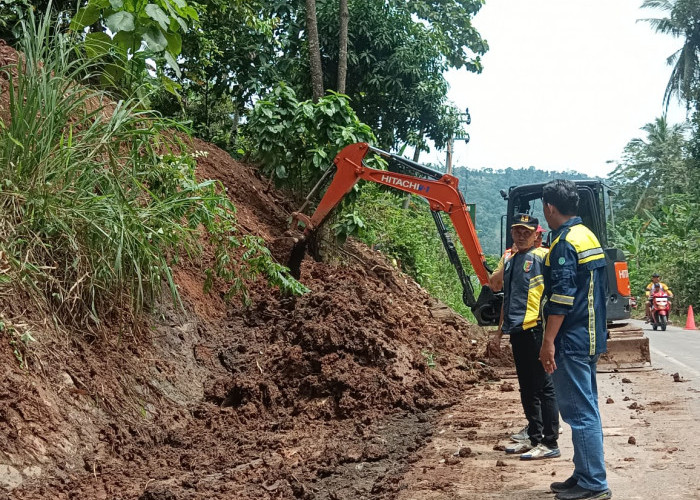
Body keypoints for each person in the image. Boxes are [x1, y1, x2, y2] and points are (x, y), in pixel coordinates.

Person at [539, 180, 612, 500]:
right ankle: (584, 473)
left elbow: (563, 297)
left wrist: (548, 341)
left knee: (580, 413)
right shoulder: (586, 235)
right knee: (587, 408)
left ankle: (594, 483)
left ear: (549, 208)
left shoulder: (566, 243)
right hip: (590, 336)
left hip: (571, 339)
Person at [488, 214, 560, 460]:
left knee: (543, 386)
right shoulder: (510, 261)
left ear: (537, 235)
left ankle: (550, 442)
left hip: (536, 329)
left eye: (526, 232)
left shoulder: (542, 258)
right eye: (517, 231)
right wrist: (498, 334)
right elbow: (505, 297)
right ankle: (533, 437)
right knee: (527, 387)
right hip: (517, 330)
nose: (521, 235)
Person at [489, 225, 546, 292]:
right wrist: (512, 259)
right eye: (519, 233)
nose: (538, 239)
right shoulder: (508, 255)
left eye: (540, 236)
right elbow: (494, 285)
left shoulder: (546, 255)